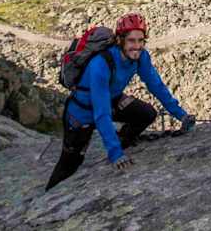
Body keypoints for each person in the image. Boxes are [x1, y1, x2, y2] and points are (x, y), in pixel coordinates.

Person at [46, 13, 195, 189]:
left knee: (146, 114)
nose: (137, 46)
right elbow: (101, 113)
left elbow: (157, 86)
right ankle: (48, 195)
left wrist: (181, 115)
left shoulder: (140, 57)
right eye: (132, 41)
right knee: (70, 163)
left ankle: (122, 139)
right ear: (120, 40)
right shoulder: (101, 64)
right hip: (82, 112)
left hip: (111, 99)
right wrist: (115, 154)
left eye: (141, 41)